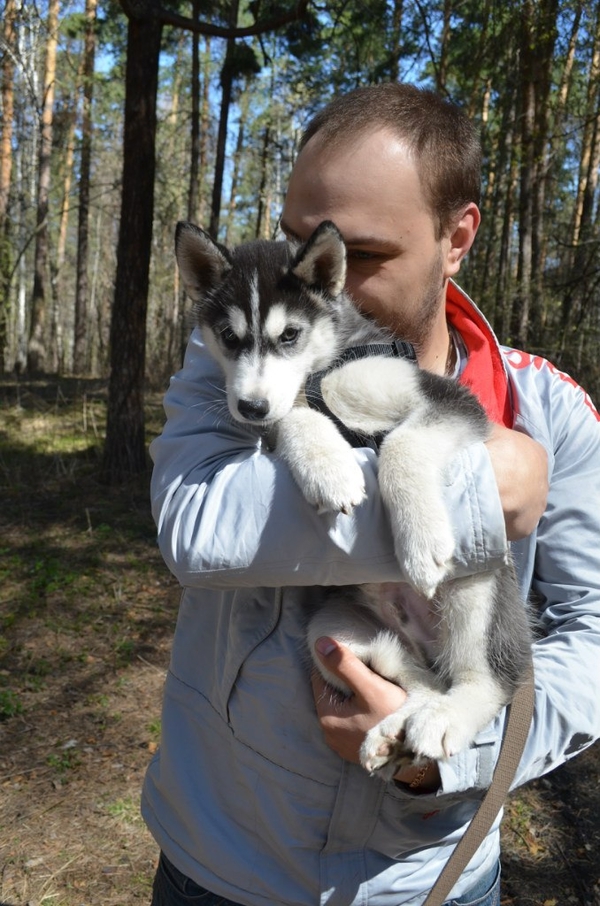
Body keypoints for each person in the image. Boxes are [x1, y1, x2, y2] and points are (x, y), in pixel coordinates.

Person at [143, 83, 600, 906]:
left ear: (457, 237)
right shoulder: (230, 361)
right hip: (221, 864)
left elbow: (594, 631)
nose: (319, 288)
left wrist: (452, 752)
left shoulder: (550, 412)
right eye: (299, 244)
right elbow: (195, 525)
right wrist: (468, 491)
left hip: (430, 879)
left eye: (362, 255)